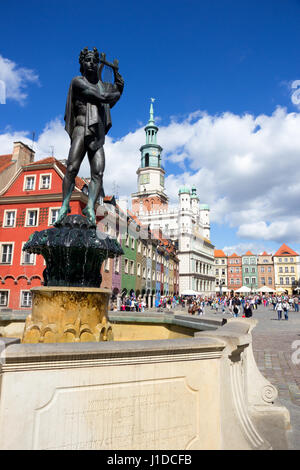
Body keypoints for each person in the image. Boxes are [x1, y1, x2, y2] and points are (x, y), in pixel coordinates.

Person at [55, 47, 124, 226]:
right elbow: (102, 96)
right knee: (71, 168)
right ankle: (64, 205)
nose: (92, 63)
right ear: (82, 64)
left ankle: (90, 206)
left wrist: (116, 74)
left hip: (97, 134)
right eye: (88, 60)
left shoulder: (103, 86)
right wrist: (111, 92)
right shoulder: (78, 82)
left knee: (98, 172)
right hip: (80, 129)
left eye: (94, 60)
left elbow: (117, 92)